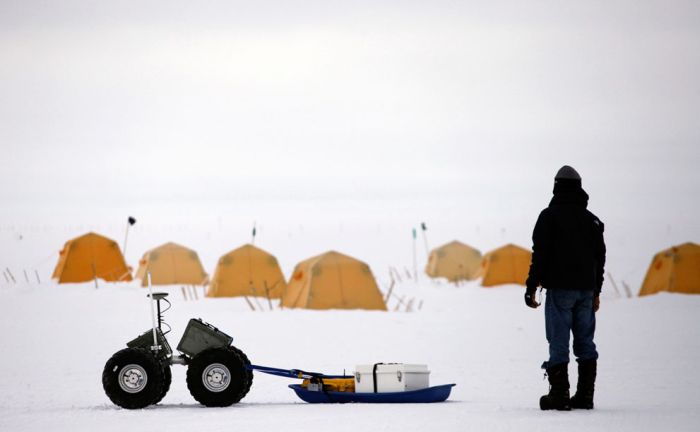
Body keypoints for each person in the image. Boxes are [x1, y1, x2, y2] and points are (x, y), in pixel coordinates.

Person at [524, 165, 606, 411]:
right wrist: (597, 291)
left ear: (556, 186)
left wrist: (532, 286)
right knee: (585, 342)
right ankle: (585, 396)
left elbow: (540, 254)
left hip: (560, 290)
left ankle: (559, 395)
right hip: (586, 290)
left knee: (558, 341)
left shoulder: (548, 217)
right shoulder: (592, 220)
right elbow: (599, 258)